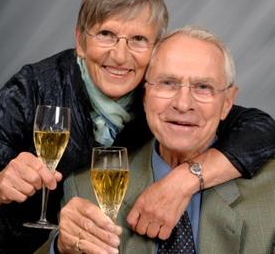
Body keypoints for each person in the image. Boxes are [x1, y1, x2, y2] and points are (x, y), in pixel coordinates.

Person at [0, 0, 275, 253]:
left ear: (156, 50)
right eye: (106, 34)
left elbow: (258, 128)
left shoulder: (162, 99)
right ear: (81, 42)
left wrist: (182, 180)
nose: (120, 56)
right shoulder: (32, 89)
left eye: (138, 40)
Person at [41, 25, 275, 254]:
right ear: (145, 95)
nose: (183, 104)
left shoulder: (270, 195)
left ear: (227, 102)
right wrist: (60, 249)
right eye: (167, 83)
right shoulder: (85, 188)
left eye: (203, 87)